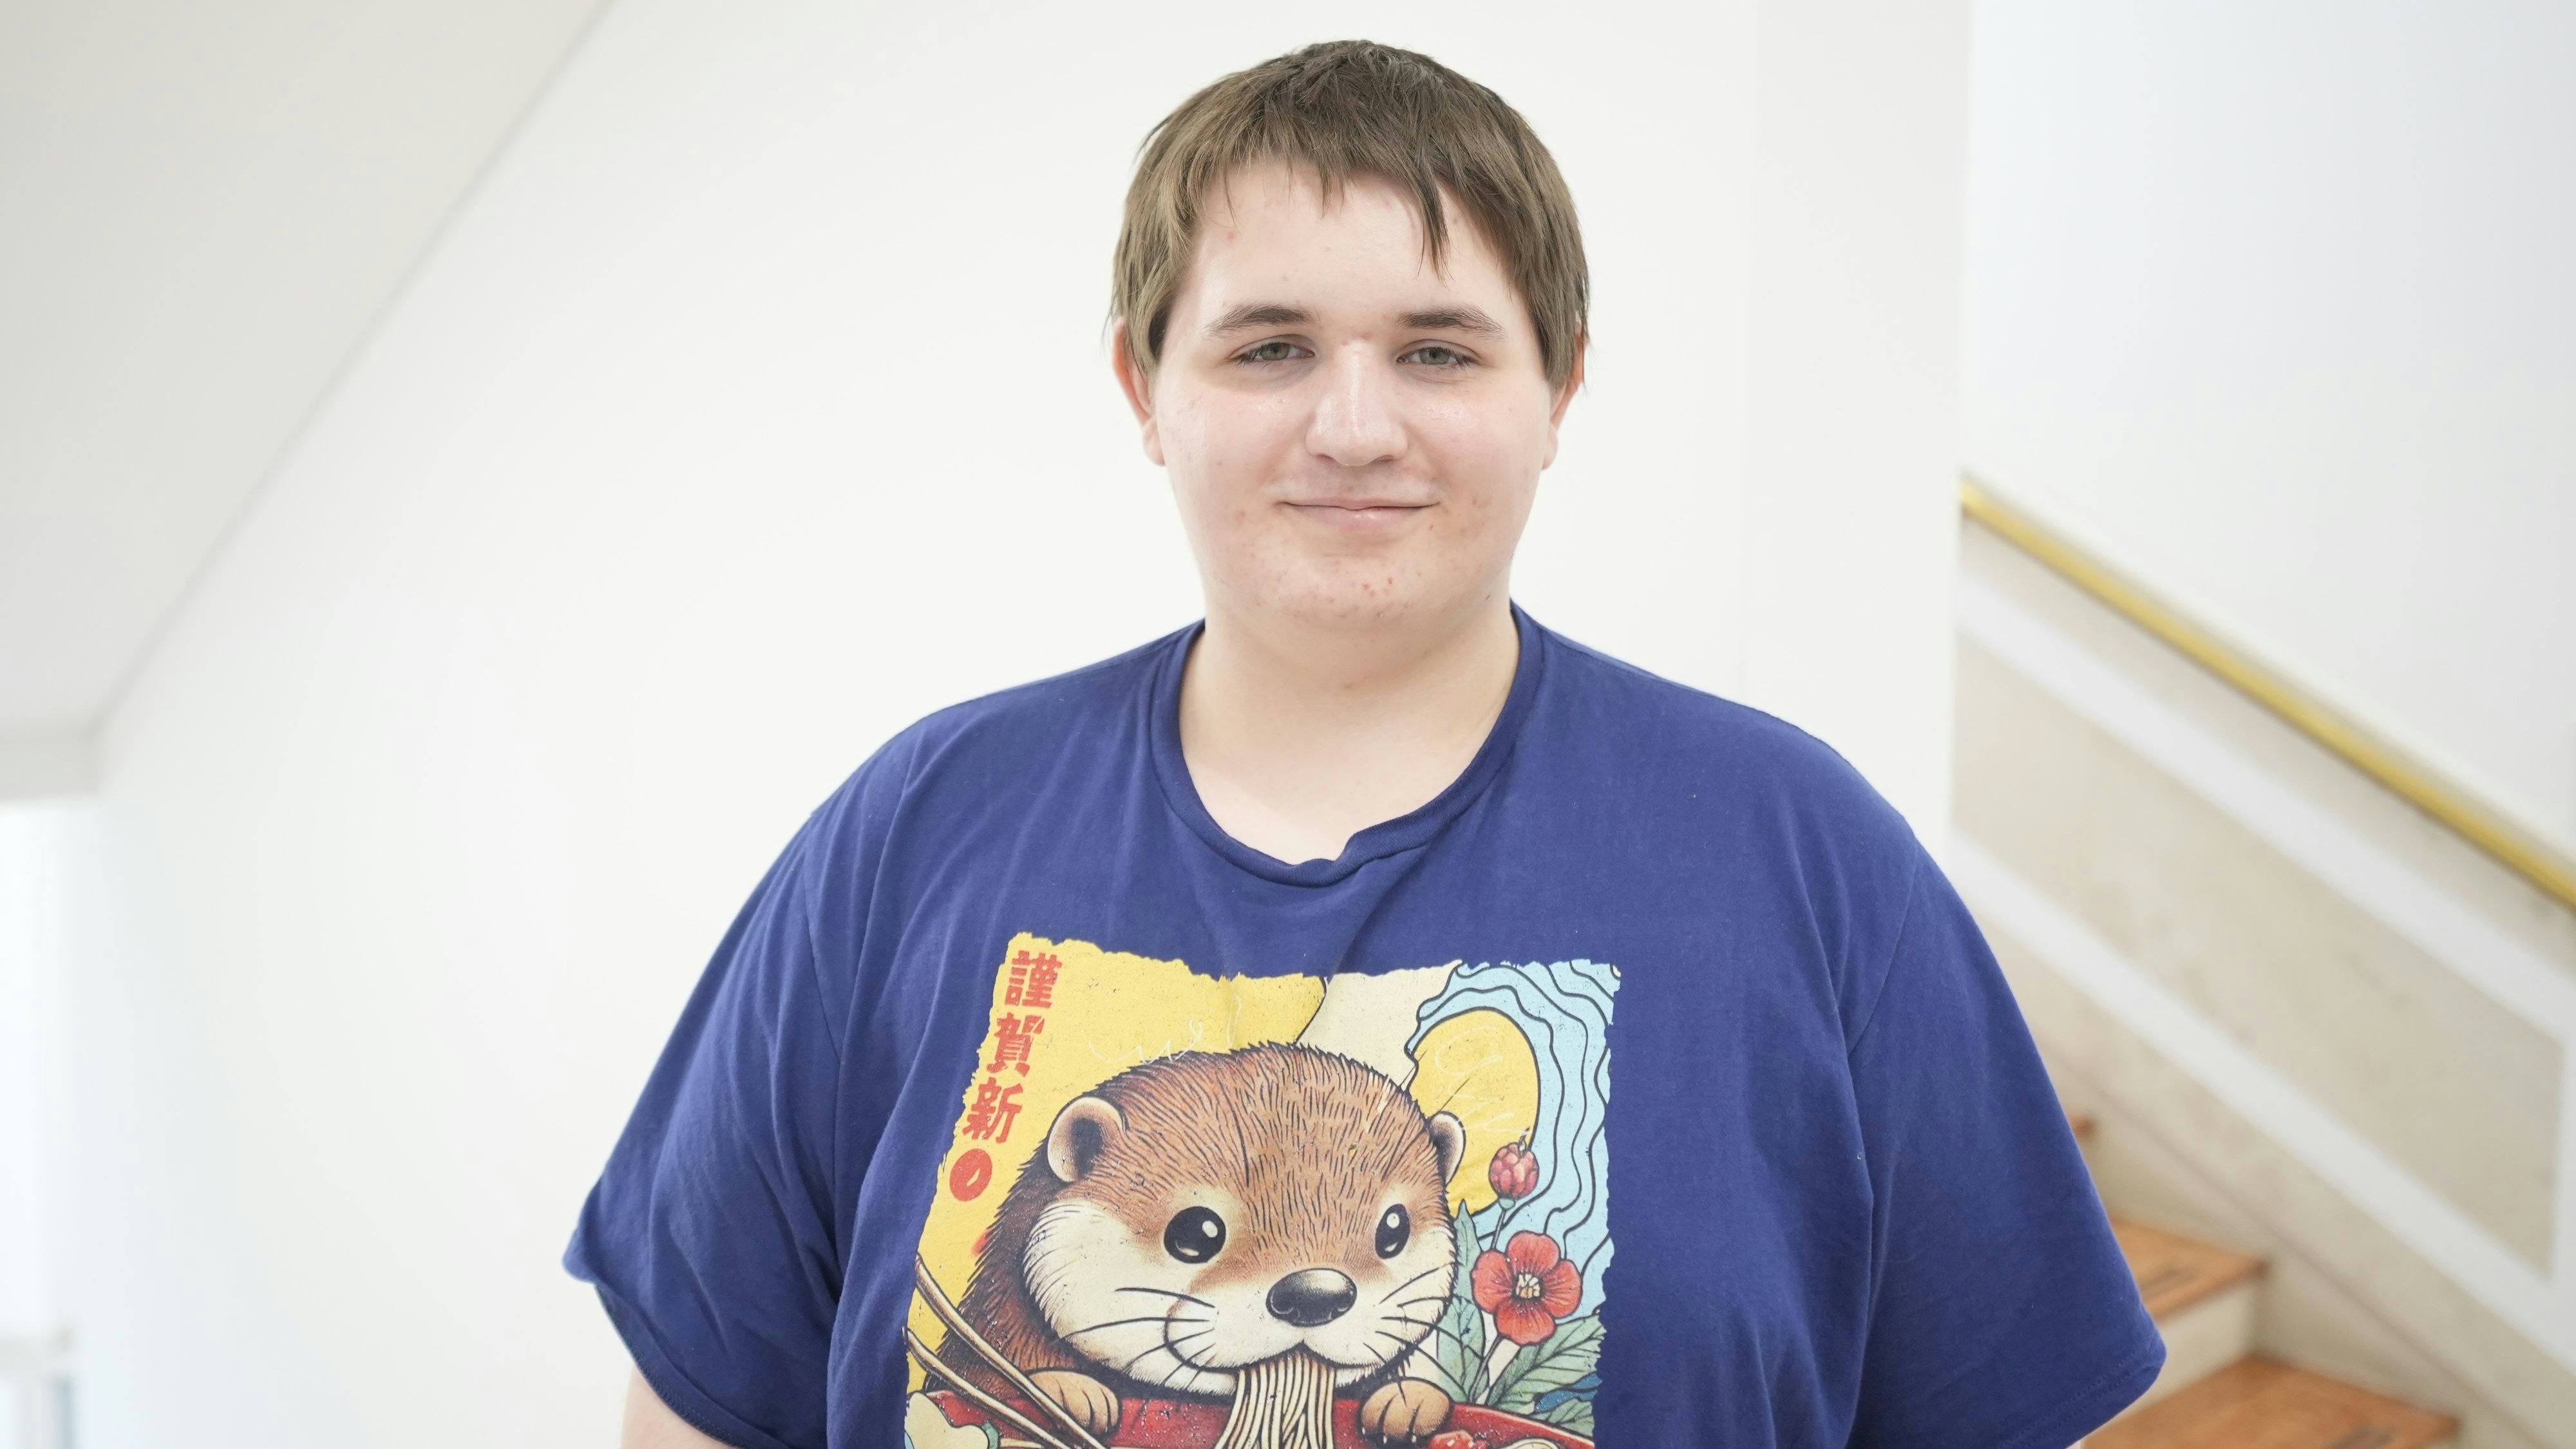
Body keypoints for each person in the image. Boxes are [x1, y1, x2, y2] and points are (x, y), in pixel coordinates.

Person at [567, 39, 2162, 1449]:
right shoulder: (916, 830)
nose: (1351, 427)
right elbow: (706, 1410)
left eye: (1437, 350)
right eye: (1267, 347)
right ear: (1144, 386)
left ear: (1558, 387)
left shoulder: (1801, 856)